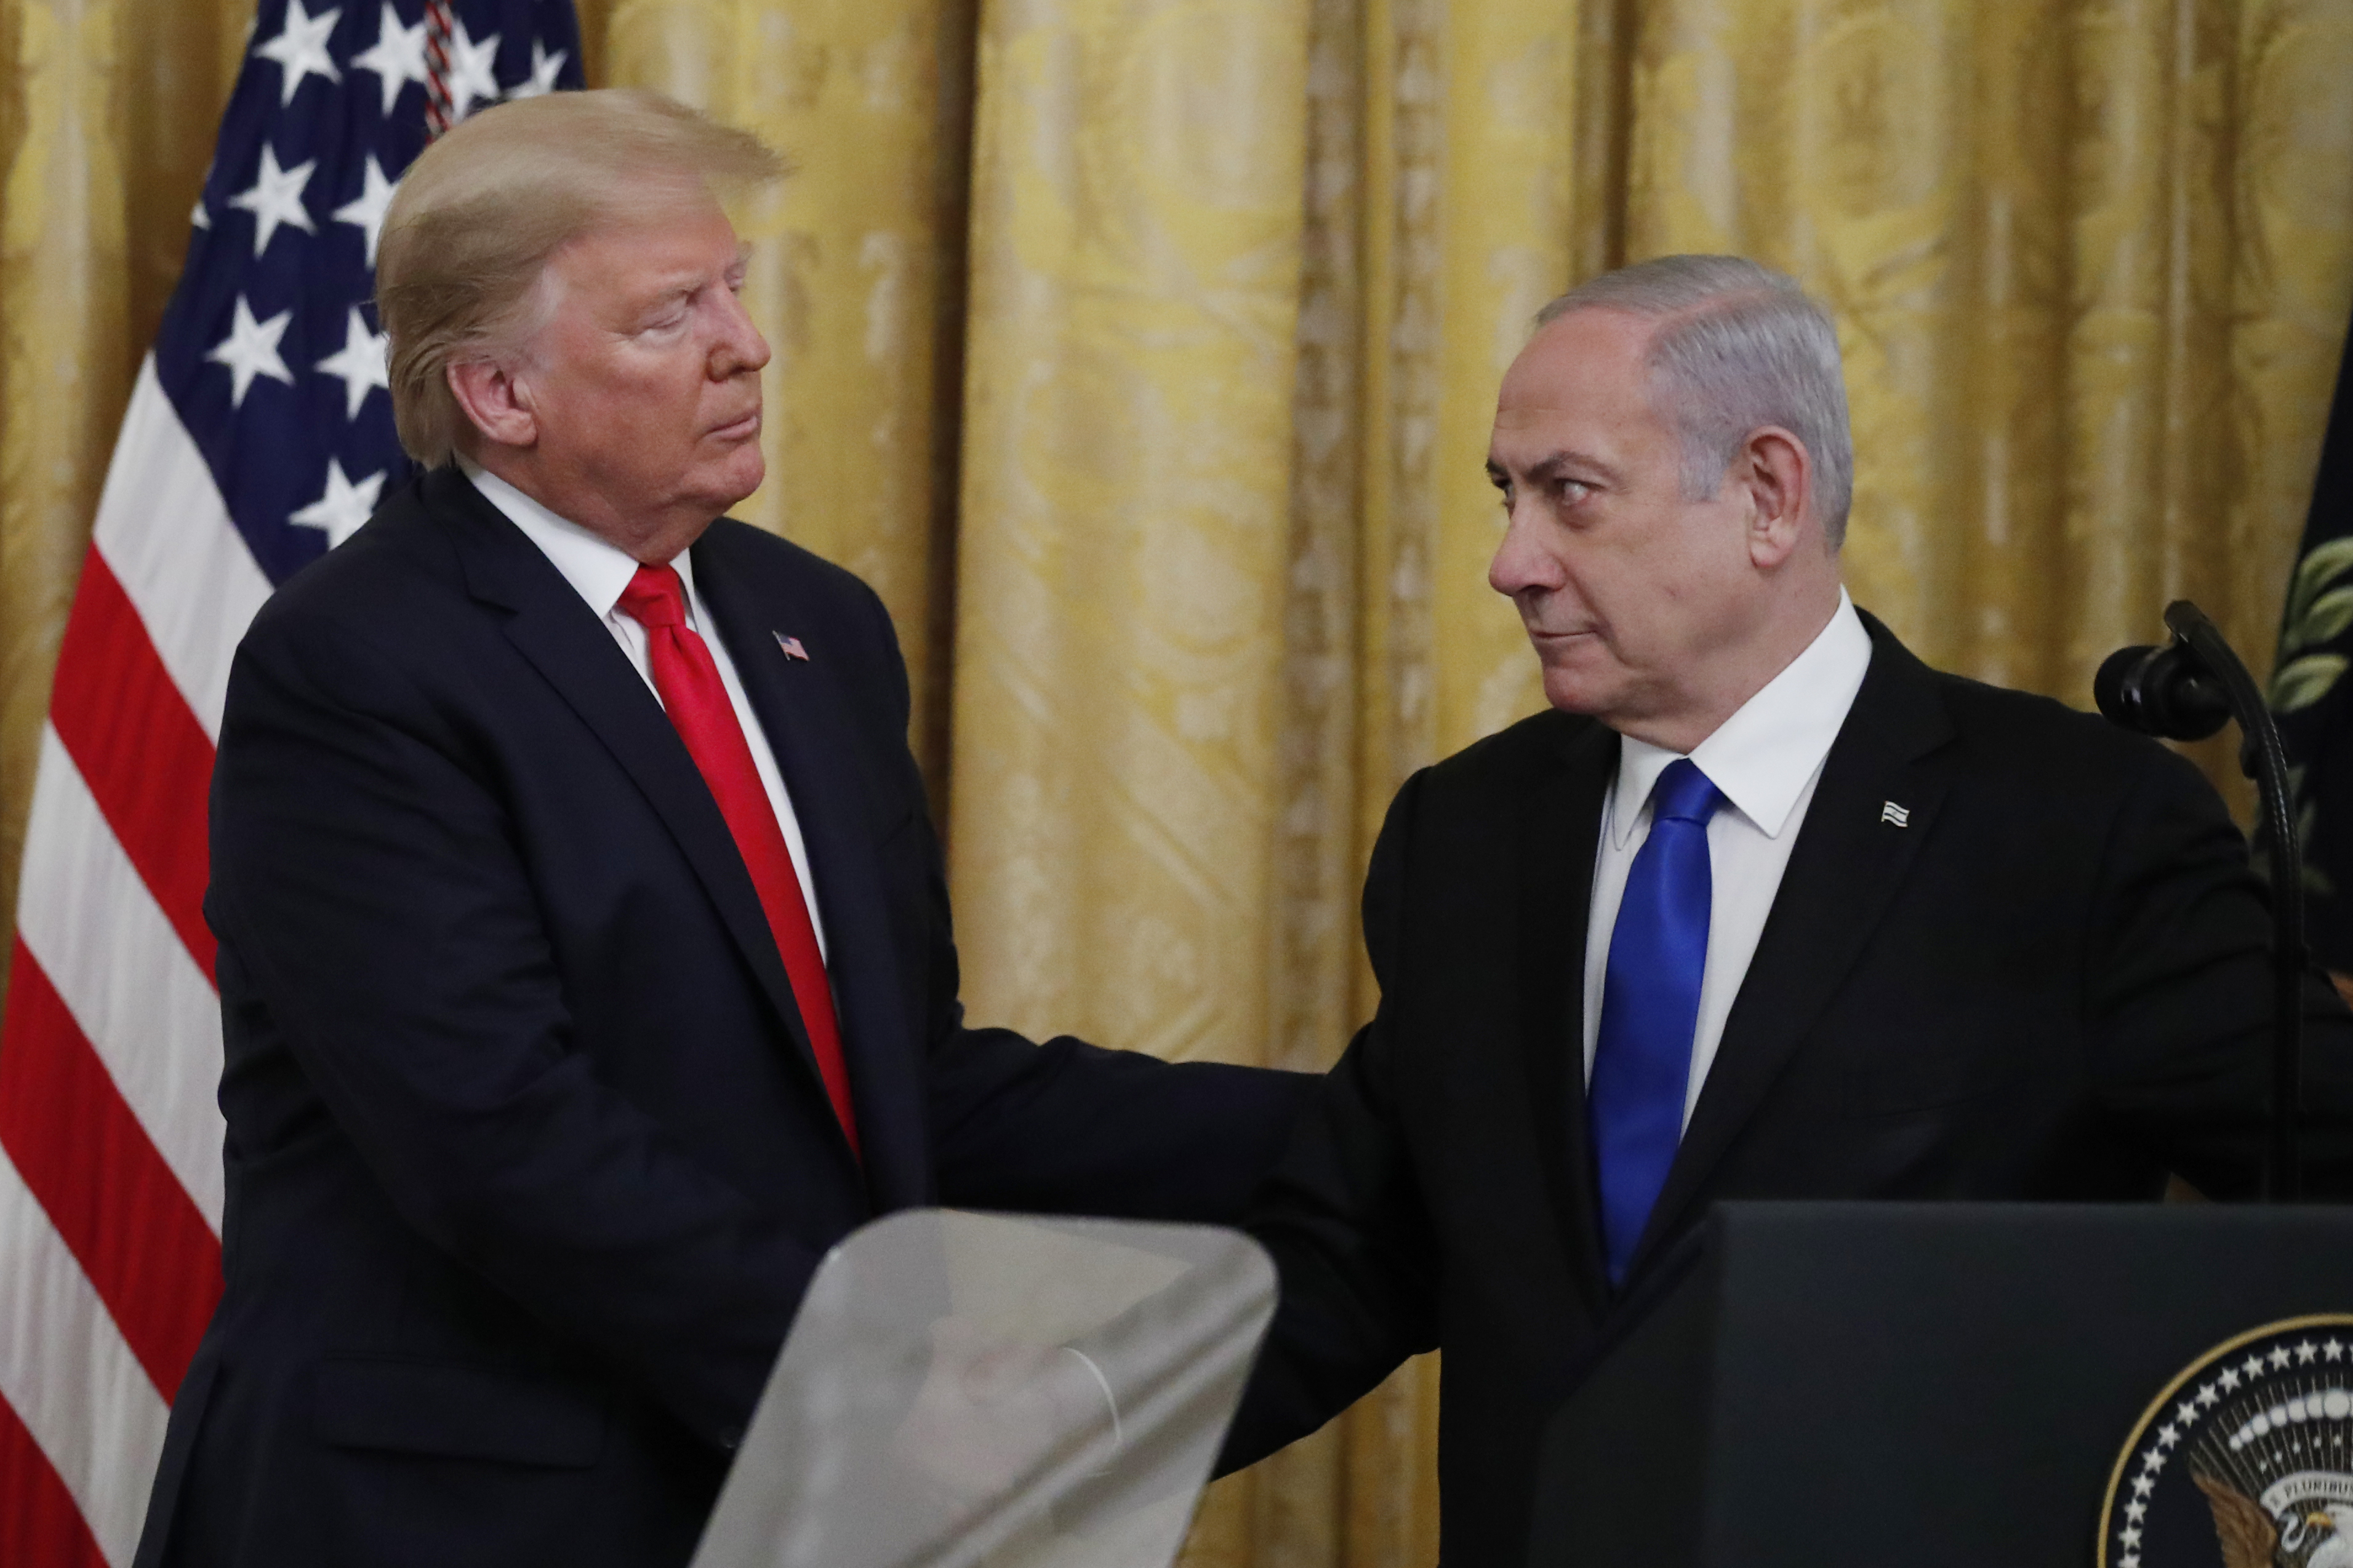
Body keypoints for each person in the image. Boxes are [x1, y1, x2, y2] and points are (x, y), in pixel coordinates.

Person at [132, 90, 1310, 1568]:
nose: (745, 342)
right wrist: (866, 1378)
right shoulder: (359, 663)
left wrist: (1368, 1124)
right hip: (449, 1508)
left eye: (735, 287)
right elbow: (498, 1133)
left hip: (763, 1502)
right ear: (501, 394)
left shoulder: (812, 624)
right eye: (669, 313)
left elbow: (901, 1086)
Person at [1216, 254, 2353, 1567]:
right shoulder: (1464, 832)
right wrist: (1064, 1412)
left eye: (1568, 495)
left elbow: (2307, 1195)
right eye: (1506, 496)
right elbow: (1357, 1247)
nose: (1509, 562)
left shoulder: (2072, 831)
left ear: (1766, 493)